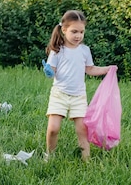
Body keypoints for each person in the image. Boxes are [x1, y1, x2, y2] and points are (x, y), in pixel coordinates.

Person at [42, 10, 114, 161]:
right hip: (59, 94)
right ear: (64, 30)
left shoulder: (84, 50)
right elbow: (52, 71)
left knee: (82, 129)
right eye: (74, 31)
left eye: (81, 32)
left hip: (79, 96)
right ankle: (50, 155)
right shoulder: (57, 51)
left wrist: (107, 69)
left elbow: (90, 69)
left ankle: (86, 159)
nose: (78, 36)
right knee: (53, 128)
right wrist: (49, 72)